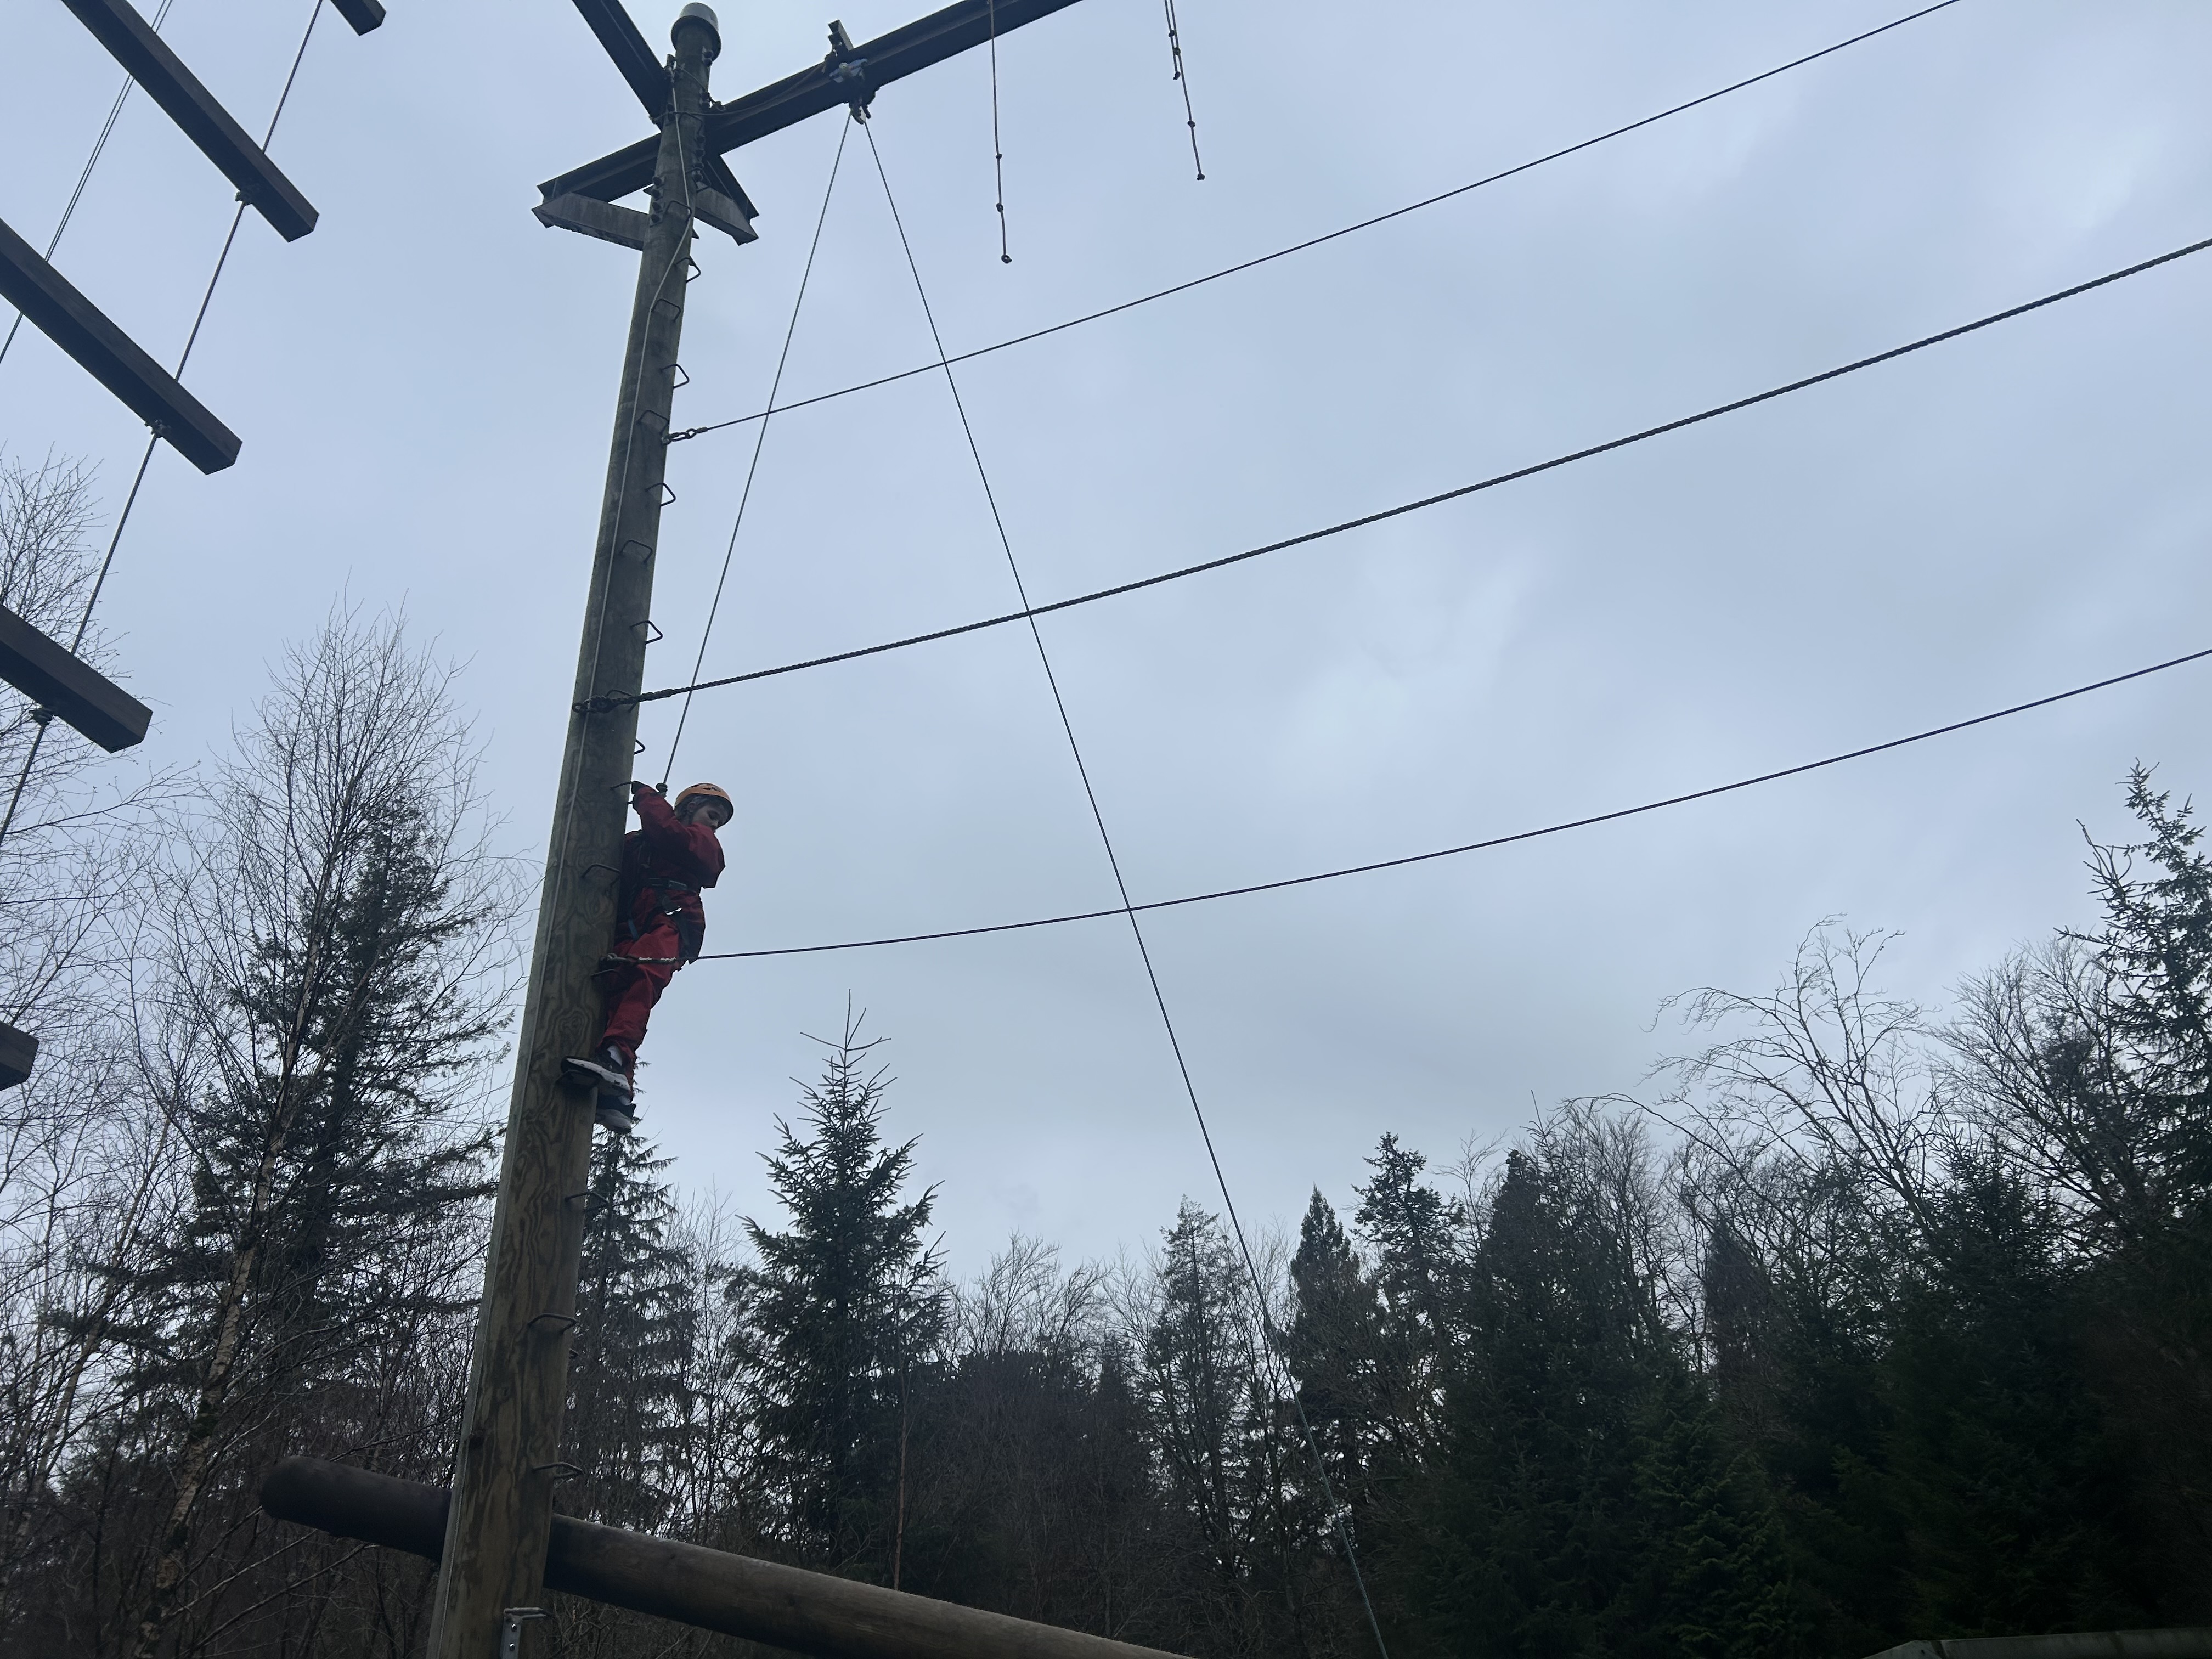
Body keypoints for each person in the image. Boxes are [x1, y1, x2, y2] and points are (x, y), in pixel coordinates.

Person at [566, 780, 730, 1132]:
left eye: (719, 819)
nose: (715, 823)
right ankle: (617, 1097)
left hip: (671, 919)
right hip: (632, 922)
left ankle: (614, 1058)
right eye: (712, 813)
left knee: (643, 979)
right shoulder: (641, 844)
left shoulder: (703, 842)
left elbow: (670, 835)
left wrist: (646, 798)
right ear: (689, 808)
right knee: (617, 990)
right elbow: (618, 864)